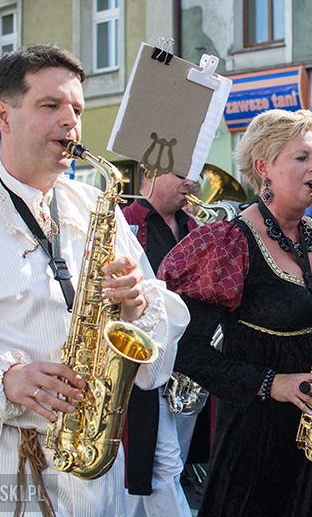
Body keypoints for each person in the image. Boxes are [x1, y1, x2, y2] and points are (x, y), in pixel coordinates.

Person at [0, 44, 188, 517]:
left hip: (94, 472)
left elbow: (152, 337)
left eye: (77, 108)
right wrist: (6, 380)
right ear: (4, 116)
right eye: (51, 106)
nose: (71, 121)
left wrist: (133, 308)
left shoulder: (94, 205)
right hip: (2, 476)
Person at [158, 109, 312, 517]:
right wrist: (271, 383)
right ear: (264, 169)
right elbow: (186, 350)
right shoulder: (230, 242)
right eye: (301, 157)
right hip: (258, 443)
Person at [121, 169, 198, 517]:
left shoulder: (194, 227)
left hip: (188, 367)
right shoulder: (126, 222)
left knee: (163, 465)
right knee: (162, 465)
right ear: (150, 175)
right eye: (181, 175)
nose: (190, 183)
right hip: (146, 362)